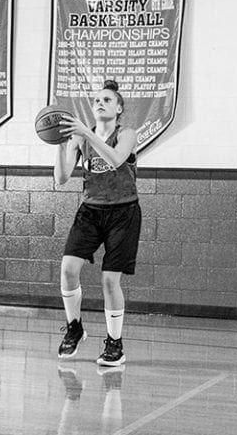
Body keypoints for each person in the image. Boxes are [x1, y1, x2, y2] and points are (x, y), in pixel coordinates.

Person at [52, 79, 141, 367]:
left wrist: (86, 135)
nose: (100, 103)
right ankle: (74, 327)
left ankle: (115, 344)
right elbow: (61, 178)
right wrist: (59, 144)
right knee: (68, 269)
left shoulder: (126, 134)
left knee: (109, 280)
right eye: (97, 100)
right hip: (90, 210)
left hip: (123, 212)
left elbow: (115, 160)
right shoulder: (81, 138)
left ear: (119, 108)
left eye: (107, 100)